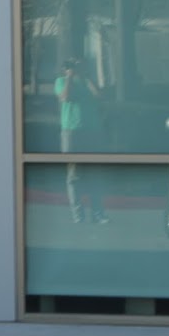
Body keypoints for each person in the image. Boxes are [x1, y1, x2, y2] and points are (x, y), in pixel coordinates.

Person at [56, 59, 108, 224]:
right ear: (65, 69)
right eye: (71, 67)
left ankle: (98, 213)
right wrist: (69, 77)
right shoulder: (61, 81)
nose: (75, 69)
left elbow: (100, 96)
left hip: (92, 131)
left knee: (95, 172)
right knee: (73, 175)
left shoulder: (87, 82)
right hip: (71, 131)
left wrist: (86, 77)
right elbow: (65, 97)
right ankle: (78, 215)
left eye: (77, 66)